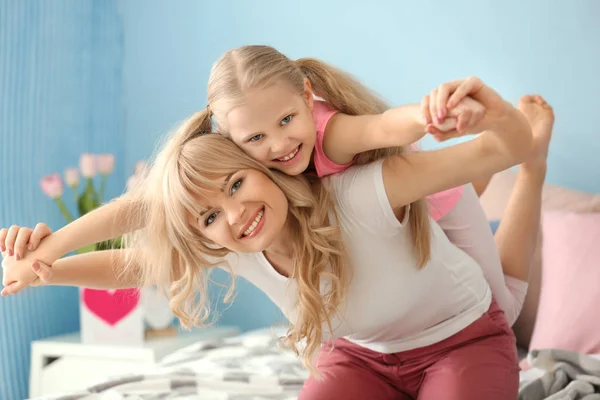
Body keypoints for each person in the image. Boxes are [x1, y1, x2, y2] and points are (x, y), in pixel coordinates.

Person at [2, 77, 533, 399]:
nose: (235, 216)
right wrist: (46, 267)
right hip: (361, 355)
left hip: (460, 338)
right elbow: (144, 263)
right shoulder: (234, 246)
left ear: (264, 166)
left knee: (500, 288)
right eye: (208, 217)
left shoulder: (362, 191)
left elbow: (496, 151)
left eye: (236, 184)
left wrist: (499, 116)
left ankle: (538, 175)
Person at [1, 46, 549, 324]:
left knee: (504, 305)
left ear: (307, 98)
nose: (281, 146)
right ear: (234, 139)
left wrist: (431, 116)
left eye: (288, 122)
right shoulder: (237, 181)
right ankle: (490, 171)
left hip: (430, 197)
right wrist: (48, 257)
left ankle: (530, 168)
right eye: (257, 137)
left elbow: (385, 127)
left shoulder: (327, 136)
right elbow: (141, 222)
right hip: (402, 204)